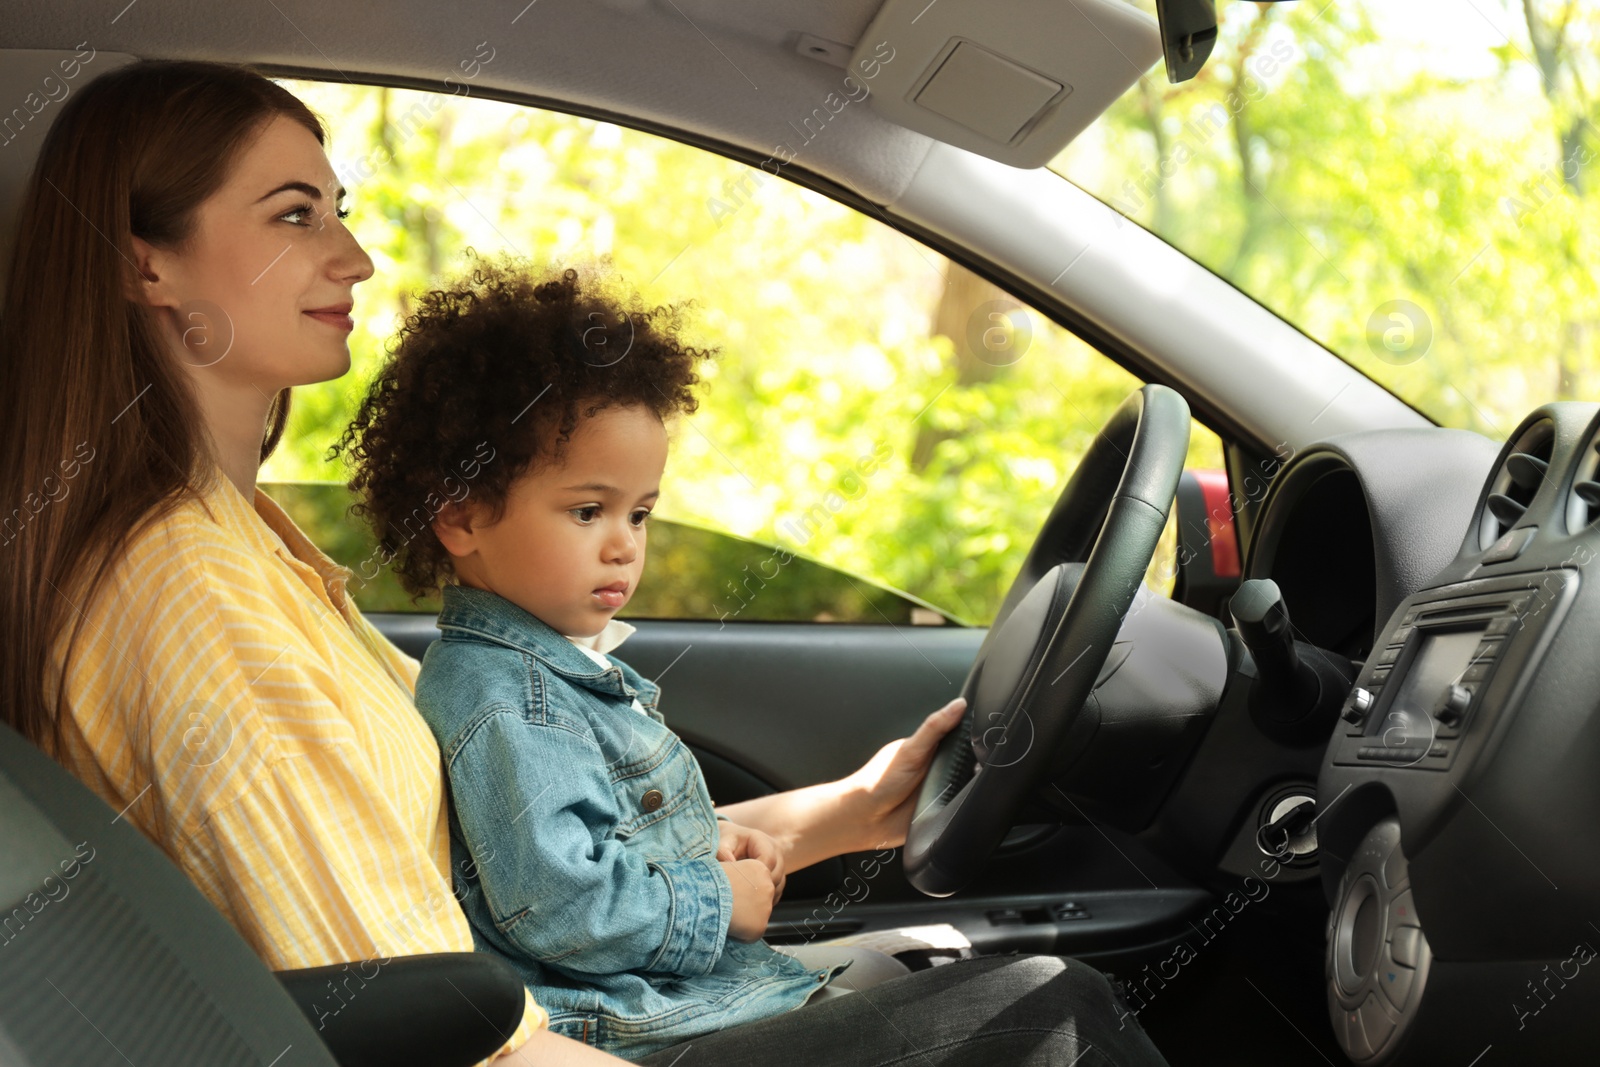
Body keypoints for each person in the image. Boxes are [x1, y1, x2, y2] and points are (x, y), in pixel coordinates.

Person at [0, 58, 1169, 1067]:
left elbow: (515, 857)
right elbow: (395, 1002)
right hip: (533, 1042)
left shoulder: (246, 544)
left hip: (549, 1015)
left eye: (342, 211)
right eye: (296, 215)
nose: (354, 256)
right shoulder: (187, 593)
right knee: (1050, 1015)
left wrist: (842, 815)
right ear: (145, 262)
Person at [334, 260, 954, 1058]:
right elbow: (557, 904)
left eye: (642, 512)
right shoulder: (507, 699)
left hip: (663, 994)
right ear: (462, 515)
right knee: (1046, 998)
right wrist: (713, 900)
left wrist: (709, 847)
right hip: (630, 1023)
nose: (626, 544)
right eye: (588, 510)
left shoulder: (552, 669)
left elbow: (607, 837)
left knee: (913, 970)